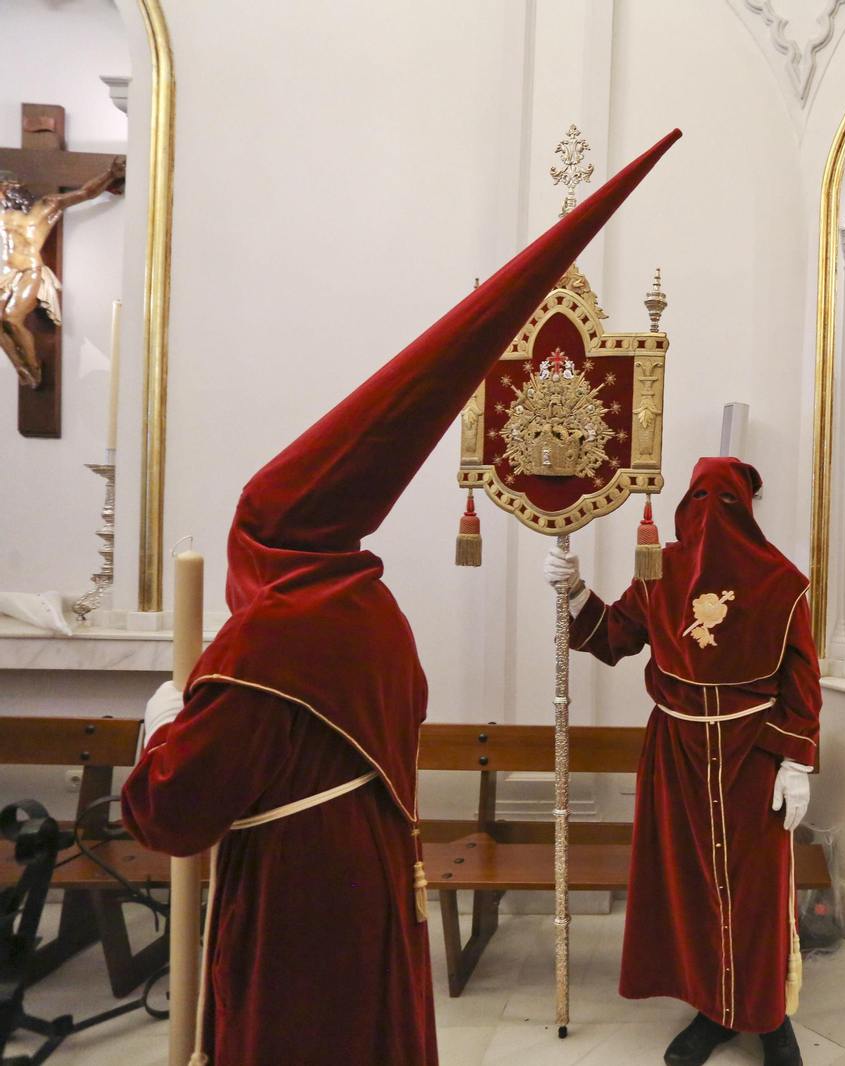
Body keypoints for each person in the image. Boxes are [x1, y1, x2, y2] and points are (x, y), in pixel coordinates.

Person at [120, 130, 679, 1066]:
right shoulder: (371, 608)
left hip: (296, 898)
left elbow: (177, 810)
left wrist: (162, 729)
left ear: (264, 540)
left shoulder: (265, 644)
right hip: (374, 878)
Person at [544, 456, 819, 1066]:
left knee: (757, 891)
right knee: (691, 886)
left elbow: (801, 680)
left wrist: (796, 761)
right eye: (698, 499)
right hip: (676, 755)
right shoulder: (658, 571)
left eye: (723, 503)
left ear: (746, 509)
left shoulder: (783, 583)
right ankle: (713, 1010)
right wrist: (574, 589)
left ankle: (770, 1017)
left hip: (753, 756)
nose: (709, 516)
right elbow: (612, 637)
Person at [0, 157, 124, 387]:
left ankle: (33, 367)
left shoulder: (45, 207)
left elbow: (85, 193)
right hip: (7, 274)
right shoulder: (2, 215)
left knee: (11, 319)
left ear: (11, 188)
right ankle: (20, 367)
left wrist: (110, 175)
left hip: (30, 270)